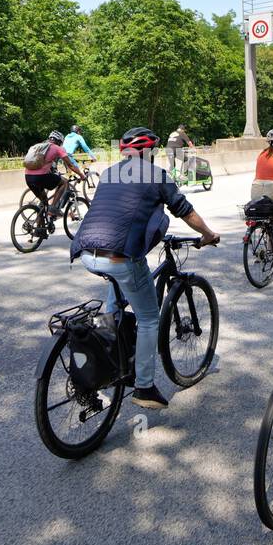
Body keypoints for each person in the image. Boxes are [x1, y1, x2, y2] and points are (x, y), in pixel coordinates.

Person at [70, 127, 220, 410]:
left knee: (115, 305)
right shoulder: (157, 175)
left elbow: (122, 213)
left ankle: (110, 358)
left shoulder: (108, 173)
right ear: (149, 152)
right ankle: (144, 387)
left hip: (87, 251)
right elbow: (184, 210)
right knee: (149, 318)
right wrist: (208, 234)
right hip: (119, 257)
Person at [25, 130, 83, 212]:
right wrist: (81, 175)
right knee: (64, 182)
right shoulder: (57, 148)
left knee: (44, 203)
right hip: (41, 177)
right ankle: (53, 208)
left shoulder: (38, 146)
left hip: (28, 177)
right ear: (59, 141)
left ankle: (40, 222)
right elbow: (70, 165)